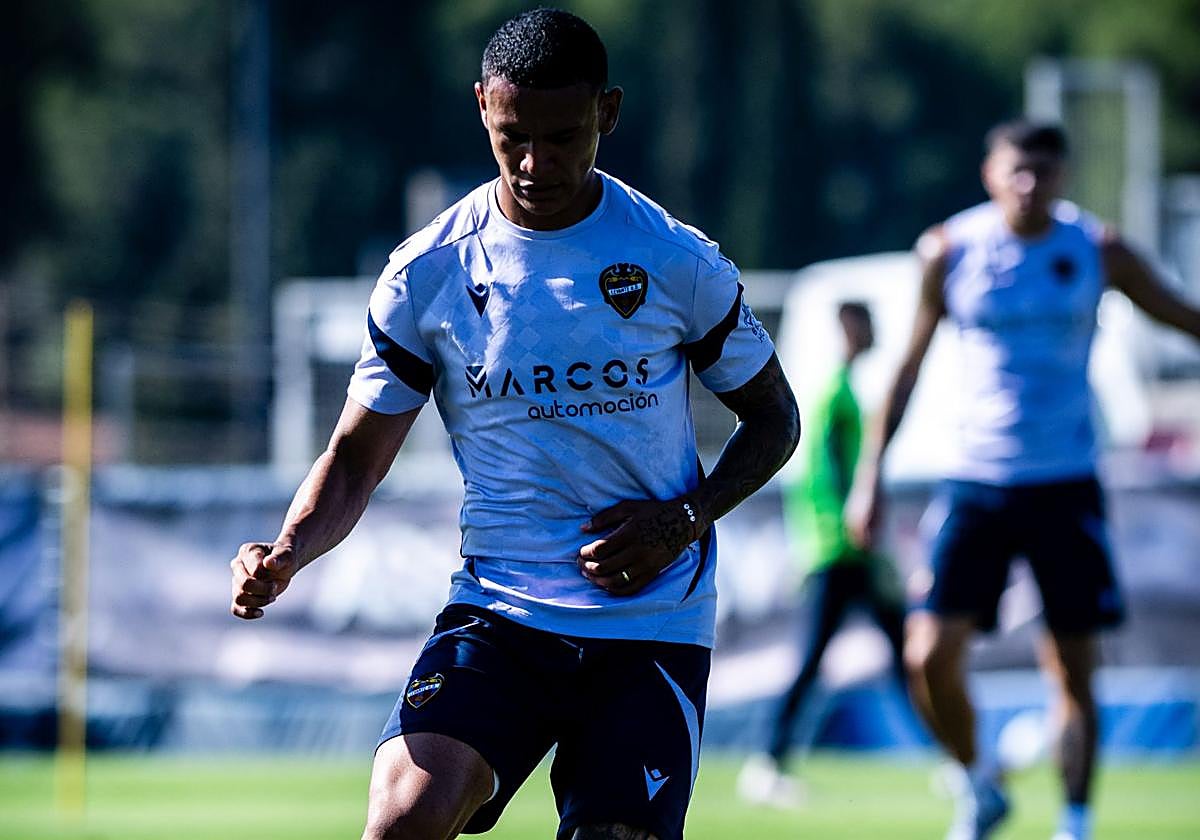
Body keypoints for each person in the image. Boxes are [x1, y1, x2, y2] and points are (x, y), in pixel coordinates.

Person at [229, 9, 800, 840]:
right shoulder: (429, 273)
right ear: (482, 109)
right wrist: (288, 550)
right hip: (499, 615)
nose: (537, 163)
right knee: (402, 816)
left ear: (608, 111)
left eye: (564, 135)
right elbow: (355, 458)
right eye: (513, 137)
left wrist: (684, 520)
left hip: (647, 624)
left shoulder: (676, 260)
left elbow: (775, 422)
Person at [846, 119, 1200, 840]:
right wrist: (870, 476)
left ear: (1064, 177)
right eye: (1017, 170)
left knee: (1071, 668)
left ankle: (1073, 823)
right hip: (975, 481)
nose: (1030, 185)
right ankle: (979, 788)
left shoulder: (1096, 250)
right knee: (927, 656)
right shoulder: (950, 250)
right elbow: (907, 368)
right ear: (991, 174)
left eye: (1044, 171)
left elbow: (1182, 317)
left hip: (1066, 483)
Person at [738, 302, 907, 808]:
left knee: (900, 654)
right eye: (869, 323)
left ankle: (957, 759)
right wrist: (857, 536)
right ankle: (767, 762)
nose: (875, 332)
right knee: (825, 658)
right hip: (841, 549)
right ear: (853, 329)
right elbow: (829, 475)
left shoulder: (842, 391)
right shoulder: (837, 395)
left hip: (843, 548)